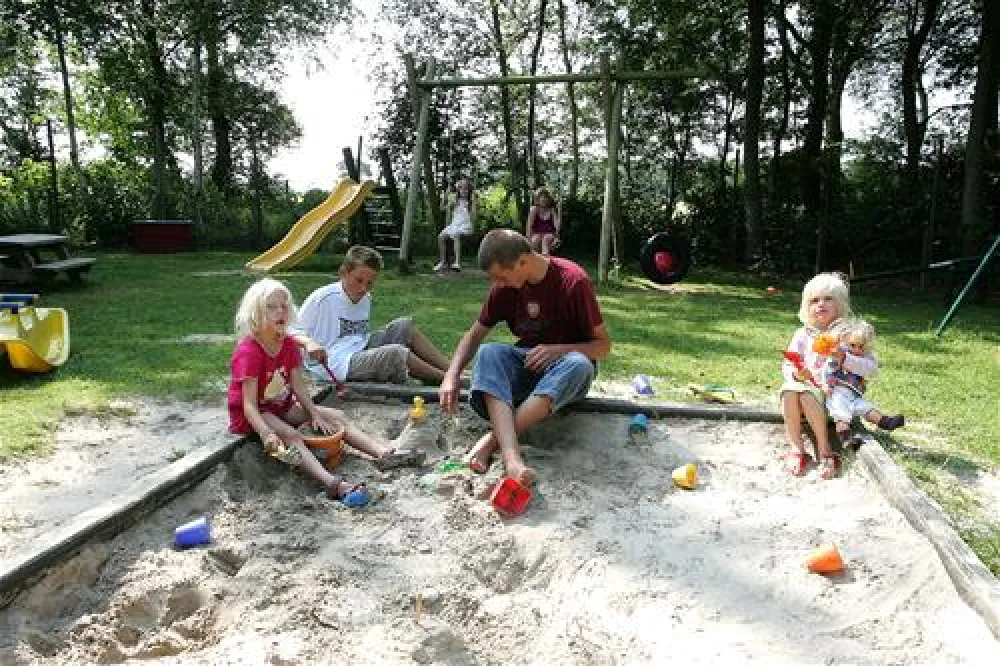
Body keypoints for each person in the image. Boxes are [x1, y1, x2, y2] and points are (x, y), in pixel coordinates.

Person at [228, 278, 425, 505]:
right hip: (253, 415)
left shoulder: (289, 344)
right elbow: (250, 405)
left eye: (283, 305)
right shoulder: (250, 351)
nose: (279, 311)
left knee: (336, 417)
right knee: (291, 435)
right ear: (256, 313)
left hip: (279, 405)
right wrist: (265, 433)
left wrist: (315, 414)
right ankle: (334, 485)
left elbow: (297, 385)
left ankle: (383, 454)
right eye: (271, 307)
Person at [438, 229, 611, 485]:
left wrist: (559, 350)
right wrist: (451, 376)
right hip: (528, 363)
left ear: (523, 261)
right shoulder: (504, 288)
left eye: (501, 277)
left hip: (567, 370)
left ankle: (498, 444)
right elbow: (474, 336)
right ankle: (512, 456)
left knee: (579, 364)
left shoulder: (574, 281)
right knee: (489, 353)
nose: (499, 284)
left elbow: (603, 346)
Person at [293, 245, 452, 385]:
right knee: (395, 353)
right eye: (359, 280)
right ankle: (448, 379)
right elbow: (291, 329)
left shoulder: (366, 298)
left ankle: (452, 369)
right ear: (343, 273)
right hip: (334, 363)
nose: (363, 288)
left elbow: (359, 335)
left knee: (405, 326)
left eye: (369, 283)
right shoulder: (322, 298)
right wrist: (308, 343)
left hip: (359, 349)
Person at [780, 272, 851, 480]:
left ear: (840, 303)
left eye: (828, 299)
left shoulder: (847, 334)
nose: (821, 304)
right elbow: (788, 363)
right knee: (790, 390)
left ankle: (825, 449)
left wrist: (843, 356)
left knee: (805, 394)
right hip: (806, 388)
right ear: (806, 307)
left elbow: (868, 366)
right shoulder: (802, 334)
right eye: (814, 300)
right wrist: (796, 373)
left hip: (834, 394)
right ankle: (797, 448)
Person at [822, 319, 905, 447]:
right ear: (845, 342)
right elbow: (827, 370)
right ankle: (845, 438)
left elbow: (871, 369)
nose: (856, 349)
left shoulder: (865, 358)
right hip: (837, 392)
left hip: (854, 394)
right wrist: (826, 384)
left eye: (861, 346)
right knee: (841, 415)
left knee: (866, 408)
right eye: (853, 345)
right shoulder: (837, 354)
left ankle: (886, 422)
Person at [434, 177, 476, 272]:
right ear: (458, 190)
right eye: (461, 188)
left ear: (469, 190)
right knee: (440, 237)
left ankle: (457, 263)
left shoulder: (470, 202)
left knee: (456, 235)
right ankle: (442, 262)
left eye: (466, 188)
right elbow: (441, 208)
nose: (463, 191)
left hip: (465, 226)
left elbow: (474, 215)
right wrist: (446, 195)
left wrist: (474, 202)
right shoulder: (455, 201)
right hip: (454, 225)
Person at [525, 187, 561, 256]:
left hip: (549, 234)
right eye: (541, 197)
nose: (544, 199)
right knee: (535, 240)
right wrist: (528, 241)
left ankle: (546, 259)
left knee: (545, 239)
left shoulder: (552, 210)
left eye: (545, 197)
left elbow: (557, 227)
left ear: (548, 199)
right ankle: (535, 261)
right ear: (537, 199)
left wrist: (559, 211)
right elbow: (529, 227)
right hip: (536, 234)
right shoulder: (534, 209)